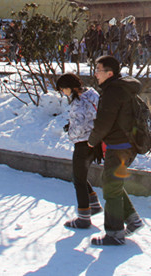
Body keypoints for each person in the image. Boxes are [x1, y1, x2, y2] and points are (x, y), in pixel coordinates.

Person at [87, 55, 144, 246]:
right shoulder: (120, 88)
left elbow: (104, 122)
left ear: (109, 73)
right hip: (125, 145)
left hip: (119, 146)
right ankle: (133, 219)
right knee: (114, 184)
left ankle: (114, 233)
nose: (95, 74)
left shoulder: (113, 92)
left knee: (111, 187)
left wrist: (92, 141)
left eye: (98, 70)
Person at [56, 73, 103, 229]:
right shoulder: (92, 93)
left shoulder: (78, 102)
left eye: (63, 89)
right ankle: (94, 204)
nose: (63, 92)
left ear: (70, 87)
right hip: (95, 142)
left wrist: (70, 133)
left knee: (78, 180)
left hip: (83, 144)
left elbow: (79, 127)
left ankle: (83, 218)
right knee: (80, 177)